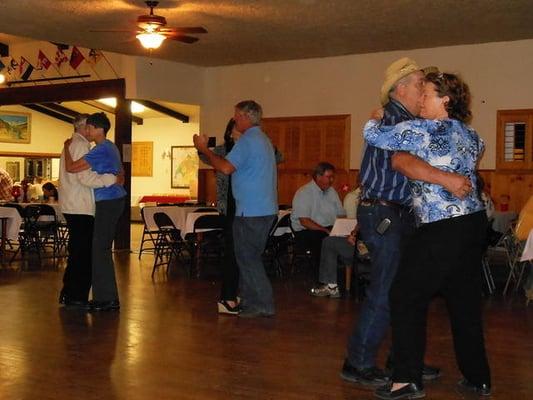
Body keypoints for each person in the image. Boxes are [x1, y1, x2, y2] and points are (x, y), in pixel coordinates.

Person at [341, 58, 471, 386]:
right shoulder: (395, 120)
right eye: (418, 86)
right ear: (400, 89)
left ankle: (403, 360)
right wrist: (446, 180)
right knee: (387, 289)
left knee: (405, 291)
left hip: (395, 213)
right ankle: (357, 363)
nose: (423, 91)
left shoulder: (404, 120)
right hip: (386, 212)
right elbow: (402, 163)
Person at [363, 72, 491, 399]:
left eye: (428, 94)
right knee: (463, 302)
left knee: (405, 295)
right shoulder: (473, 135)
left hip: (441, 225)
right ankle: (478, 377)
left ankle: (406, 379)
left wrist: (375, 119)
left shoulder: (422, 130)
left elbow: (375, 137)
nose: (421, 100)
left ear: (445, 99)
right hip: (473, 223)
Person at [194, 100, 278, 318]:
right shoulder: (262, 139)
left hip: (250, 211)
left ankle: (262, 304)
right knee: (250, 258)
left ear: (245, 117)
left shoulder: (249, 140)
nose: (234, 120)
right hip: (264, 209)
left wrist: (204, 149)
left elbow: (225, 168)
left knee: (247, 259)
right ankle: (252, 302)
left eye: (236, 116)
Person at [64, 112, 127, 312]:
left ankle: (107, 298)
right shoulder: (109, 147)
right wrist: (116, 178)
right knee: (100, 249)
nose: (87, 131)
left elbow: (72, 167)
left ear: (99, 129)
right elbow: (121, 173)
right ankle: (105, 297)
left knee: (100, 249)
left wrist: (66, 148)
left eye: (89, 128)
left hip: (108, 202)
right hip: (112, 200)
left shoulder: (101, 149)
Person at [291, 162, 346, 270]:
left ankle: (346, 274)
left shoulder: (332, 192)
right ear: (318, 177)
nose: (331, 180)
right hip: (307, 231)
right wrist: (325, 230)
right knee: (323, 239)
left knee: (353, 238)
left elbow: (341, 214)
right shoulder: (304, 193)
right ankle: (323, 277)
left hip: (328, 229)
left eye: (332, 177)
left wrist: (345, 228)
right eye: (329, 177)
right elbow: (304, 221)